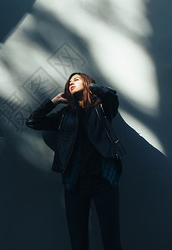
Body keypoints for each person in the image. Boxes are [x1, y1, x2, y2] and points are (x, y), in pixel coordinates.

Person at [26, 72, 124, 250]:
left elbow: (111, 95)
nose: (71, 83)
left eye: (76, 79)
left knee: (111, 240)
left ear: (87, 83)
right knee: (78, 243)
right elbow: (33, 122)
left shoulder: (102, 107)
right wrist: (53, 102)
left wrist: (91, 87)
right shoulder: (65, 115)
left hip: (103, 180)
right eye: (69, 82)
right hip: (74, 183)